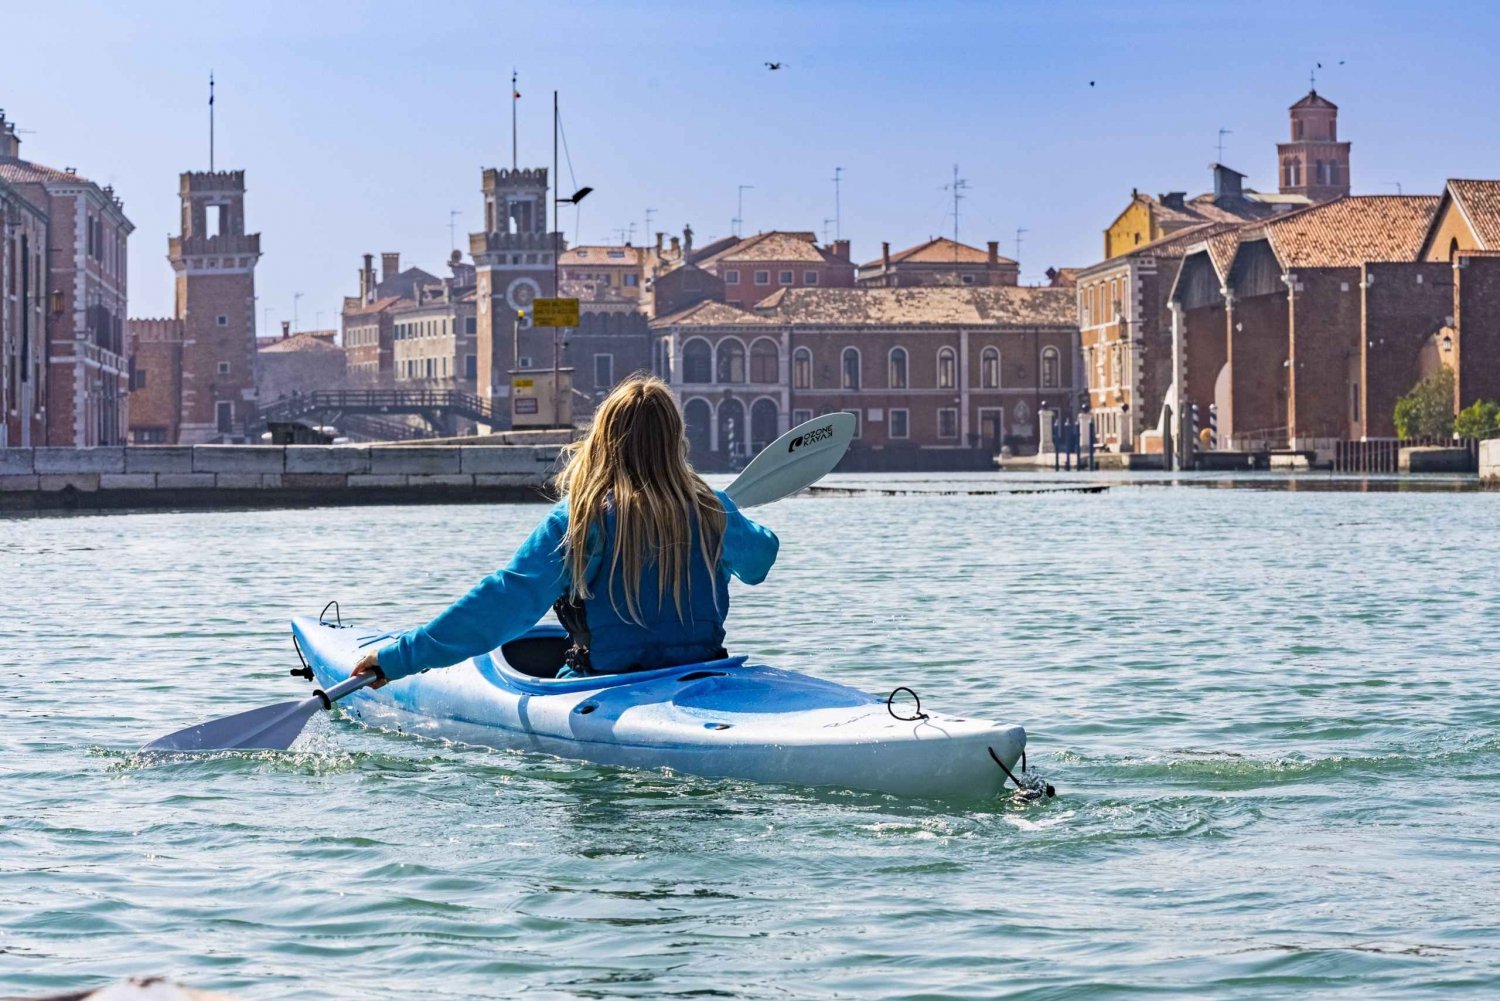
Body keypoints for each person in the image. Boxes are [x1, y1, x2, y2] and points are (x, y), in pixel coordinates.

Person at [352, 375, 778, 687]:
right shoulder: (711, 508)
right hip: (703, 677)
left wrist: (397, 659)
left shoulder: (582, 518)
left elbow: (503, 602)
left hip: (604, 685)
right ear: (675, 440)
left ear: (604, 440)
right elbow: (760, 559)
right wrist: (726, 513)